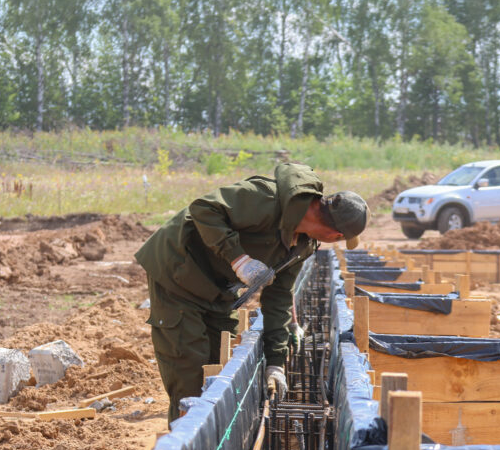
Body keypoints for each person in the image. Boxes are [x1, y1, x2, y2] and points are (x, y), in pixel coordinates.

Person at [135, 163, 370, 422]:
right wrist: (239, 260)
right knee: (190, 369)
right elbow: (204, 208)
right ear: (336, 235)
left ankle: (213, 440)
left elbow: (279, 297)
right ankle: (185, 449)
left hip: (217, 289)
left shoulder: (302, 245)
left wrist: (276, 362)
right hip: (177, 271)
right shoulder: (268, 199)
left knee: (223, 366)